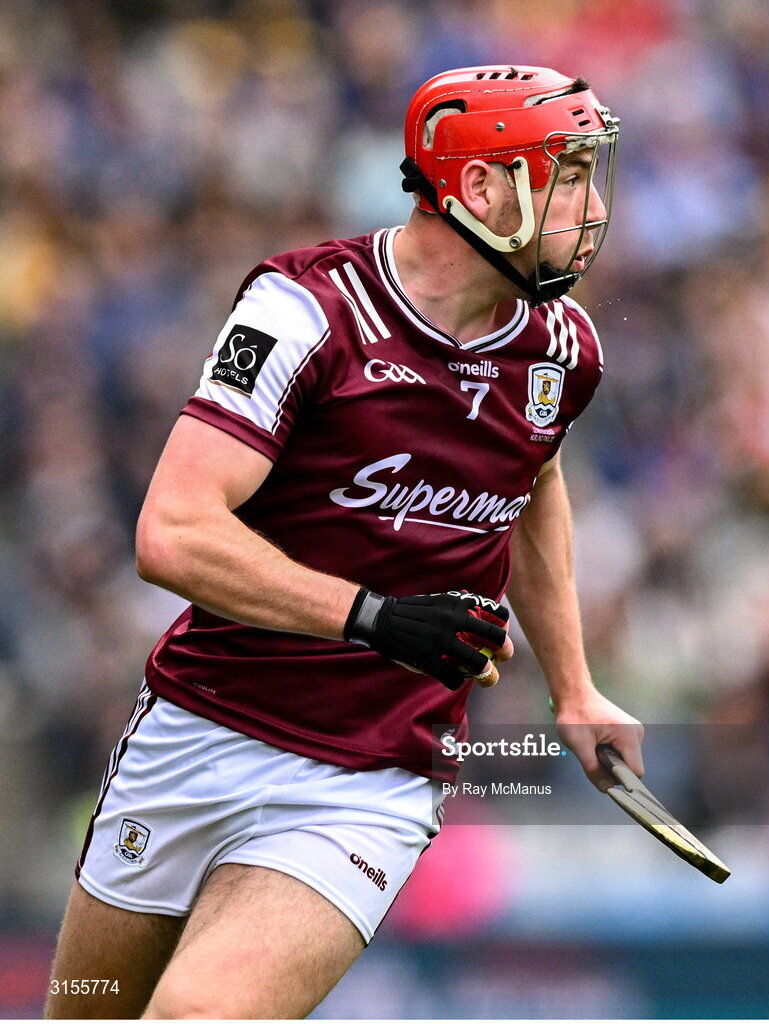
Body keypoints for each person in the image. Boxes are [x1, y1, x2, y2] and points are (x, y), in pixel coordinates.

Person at [45, 64, 645, 1019]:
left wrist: (574, 686)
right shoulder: (307, 310)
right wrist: (371, 617)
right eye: (565, 175)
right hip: (195, 735)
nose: (591, 203)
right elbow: (171, 532)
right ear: (480, 189)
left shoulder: (564, 347)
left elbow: (533, 478)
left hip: (367, 777)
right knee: (87, 1014)